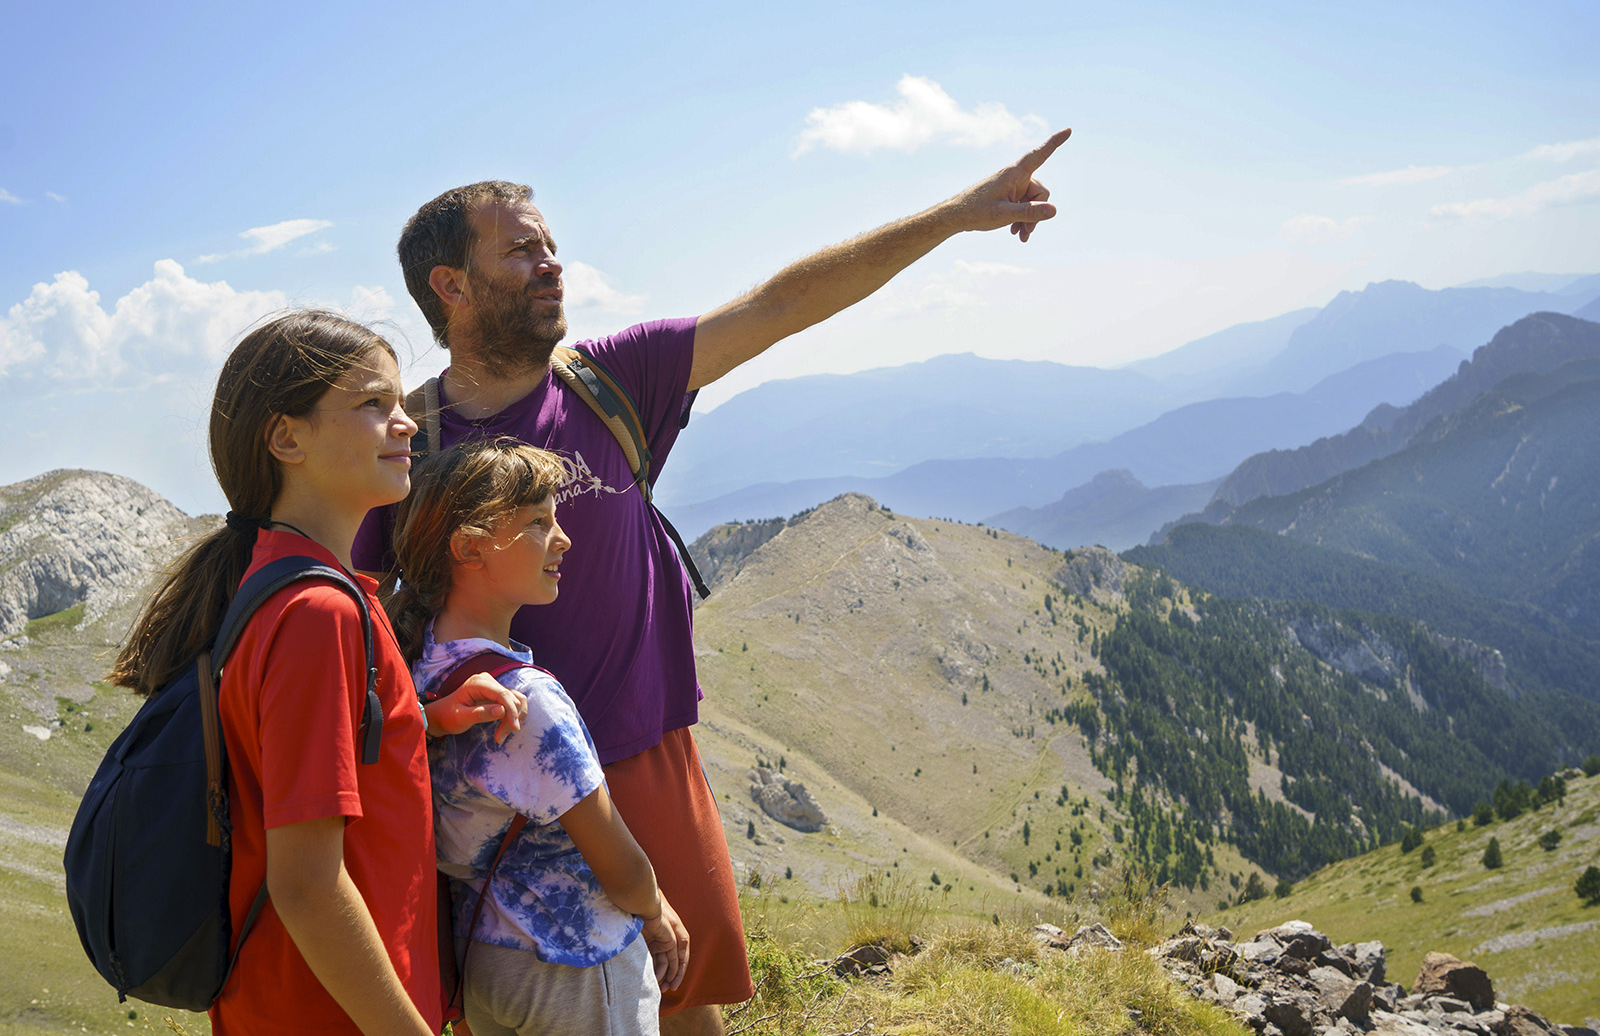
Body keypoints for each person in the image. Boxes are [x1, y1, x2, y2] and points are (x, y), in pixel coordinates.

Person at [353, 128, 1072, 1034]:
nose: (552, 263)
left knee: (687, 1009)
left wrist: (958, 214)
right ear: (449, 287)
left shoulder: (612, 381)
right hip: (489, 800)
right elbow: (361, 622)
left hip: (643, 756)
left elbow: (784, 303)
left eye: (550, 244)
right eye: (521, 248)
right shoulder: (406, 451)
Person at [107, 309, 527, 1036]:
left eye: (400, 403)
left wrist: (415, 721)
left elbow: (290, 754)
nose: (406, 424)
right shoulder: (316, 613)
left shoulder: (292, 583)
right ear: (286, 436)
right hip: (334, 1013)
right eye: (373, 404)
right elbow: (305, 885)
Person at [386, 437, 692, 1036]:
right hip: (574, 963)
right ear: (469, 547)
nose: (564, 539)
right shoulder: (528, 700)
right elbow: (617, 861)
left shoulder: (416, 672)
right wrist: (655, 911)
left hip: (485, 959)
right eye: (537, 523)